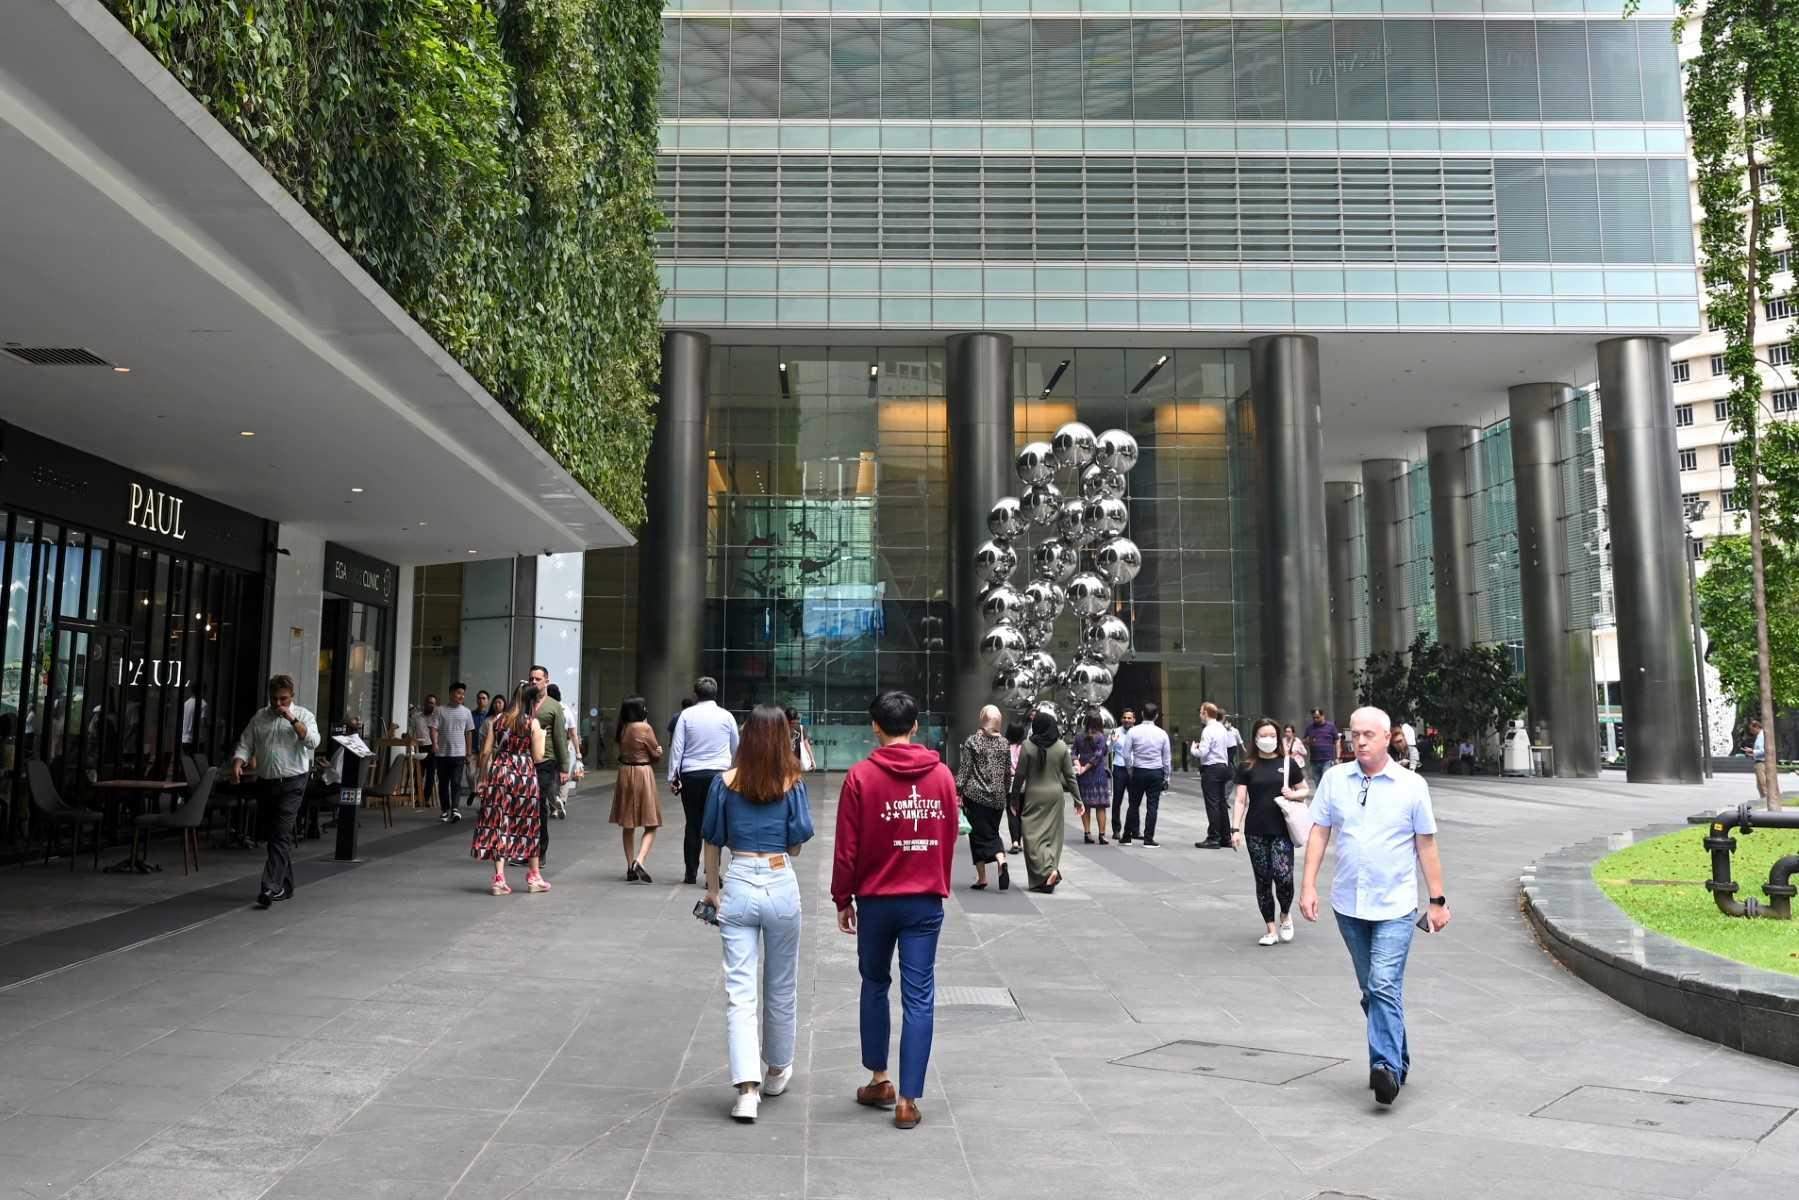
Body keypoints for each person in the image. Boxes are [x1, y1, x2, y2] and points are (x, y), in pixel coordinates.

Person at [1298, 706, 1450, 1107]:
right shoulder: (1334, 780)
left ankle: (1385, 1068)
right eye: (1354, 734)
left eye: (1368, 734)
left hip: (1395, 905)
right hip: (1349, 904)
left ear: (1388, 738)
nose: (1360, 741)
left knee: (1383, 984)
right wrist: (1308, 886)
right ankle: (1397, 1056)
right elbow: (1318, 833)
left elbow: (1426, 844)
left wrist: (1437, 900)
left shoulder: (1411, 785)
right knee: (1372, 990)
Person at [831, 691, 958, 1131]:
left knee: (874, 983)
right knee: (919, 996)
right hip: (924, 898)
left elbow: (847, 849)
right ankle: (908, 1100)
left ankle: (879, 1078)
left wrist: (842, 898)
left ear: (874, 726)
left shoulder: (861, 777)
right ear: (916, 726)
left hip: (877, 899)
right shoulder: (942, 776)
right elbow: (948, 836)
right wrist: (936, 879)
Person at [703, 704, 815, 1123]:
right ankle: (775, 1069)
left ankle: (746, 1090)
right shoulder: (792, 783)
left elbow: (711, 840)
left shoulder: (724, 783)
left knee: (740, 992)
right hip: (779, 880)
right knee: (781, 984)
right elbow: (797, 845)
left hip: (739, 880)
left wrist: (714, 890)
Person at [231, 674, 320, 909]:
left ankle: (269, 887)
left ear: (292, 697)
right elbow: (246, 742)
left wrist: (291, 718)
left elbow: (312, 742)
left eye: (283, 699)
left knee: (280, 833)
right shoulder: (260, 717)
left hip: (294, 783)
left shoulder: (303, 715)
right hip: (267, 782)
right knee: (274, 835)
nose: (278, 704)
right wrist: (238, 761)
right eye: (274, 699)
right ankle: (286, 886)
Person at [1231, 718, 1310, 946]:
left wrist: (1291, 794)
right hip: (1255, 830)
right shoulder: (1247, 765)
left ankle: (1285, 914)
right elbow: (1239, 799)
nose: (1268, 740)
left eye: (1272, 735)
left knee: (1283, 877)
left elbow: (1304, 790)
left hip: (1282, 830)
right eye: (1263, 736)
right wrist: (1235, 828)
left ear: (1278, 738)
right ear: (1255, 739)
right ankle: (1271, 928)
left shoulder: (1288, 764)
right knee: (1263, 879)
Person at [471, 683, 548, 895]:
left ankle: (499, 879)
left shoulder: (497, 720)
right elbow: (539, 756)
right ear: (531, 702)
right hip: (524, 775)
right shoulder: (532, 723)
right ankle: (534, 877)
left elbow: (485, 752)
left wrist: (482, 778)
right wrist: (541, 735)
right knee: (529, 823)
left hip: (500, 772)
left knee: (499, 822)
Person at [669, 677, 741, 885]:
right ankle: (712, 874)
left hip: (690, 775)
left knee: (693, 823)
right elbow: (736, 747)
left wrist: (674, 776)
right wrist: (734, 773)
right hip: (718, 776)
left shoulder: (686, 715)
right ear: (715, 693)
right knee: (715, 824)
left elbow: (677, 747)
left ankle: (690, 873)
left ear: (696, 694)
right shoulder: (726, 716)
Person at [1016, 711, 1079, 890]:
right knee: (1052, 837)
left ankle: (1046, 873)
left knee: (1030, 837)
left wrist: (1013, 799)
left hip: (1033, 795)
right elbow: (1070, 776)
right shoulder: (1060, 747)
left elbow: (1019, 776)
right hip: (1055, 795)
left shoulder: (1027, 746)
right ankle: (1049, 872)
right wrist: (1078, 800)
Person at [954, 705, 1012, 890]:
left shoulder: (973, 741)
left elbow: (965, 770)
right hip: (998, 798)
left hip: (976, 796)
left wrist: (957, 790)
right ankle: (997, 864)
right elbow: (1007, 773)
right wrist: (1005, 792)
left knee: (977, 836)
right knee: (992, 833)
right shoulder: (1004, 743)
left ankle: (986, 874)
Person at [610, 695, 663, 882]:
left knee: (628, 823)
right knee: (651, 823)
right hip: (642, 773)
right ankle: (639, 860)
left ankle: (629, 866)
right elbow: (655, 755)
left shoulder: (623, 728)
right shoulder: (644, 727)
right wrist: (659, 752)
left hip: (625, 773)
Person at [525, 667, 569, 863]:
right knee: (525, 805)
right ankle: (525, 848)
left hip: (546, 759)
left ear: (546, 680)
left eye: (538, 678)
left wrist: (564, 768)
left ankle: (540, 851)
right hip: (525, 760)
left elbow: (560, 737)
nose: (534, 682)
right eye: (531, 678)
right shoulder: (525, 703)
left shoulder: (554, 706)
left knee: (539, 804)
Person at [1122, 702, 1171, 847]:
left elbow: (1126, 754)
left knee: (1133, 804)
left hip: (1138, 771)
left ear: (1142, 714)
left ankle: (1126, 836)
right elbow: (1166, 759)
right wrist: (1167, 777)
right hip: (1156, 772)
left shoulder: (1133, 732)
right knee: (1152, 806)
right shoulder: (1162, 734)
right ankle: (1148, 838)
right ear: (1156, 716)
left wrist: (1130, 770)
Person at [432, 682, 475, 823]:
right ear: (451, 693)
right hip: (442, 754)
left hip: (459, 753)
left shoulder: (467, 712)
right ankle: (445, 810)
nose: (461, 696)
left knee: (456, 782)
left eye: (463, 693)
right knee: (443, 783)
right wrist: (435, 744)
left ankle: (455, 809)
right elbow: (434, 729)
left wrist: (468, 752)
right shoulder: (439, 710)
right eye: (458, 693)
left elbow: (469, 733)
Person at [1195, 702, 1232, 848]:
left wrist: (1194, 749)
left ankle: (1214, 837)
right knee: (1221, 803)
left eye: (1201, 712)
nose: (1200, 715)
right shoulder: (1221, 728)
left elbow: (1203, 752)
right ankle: (1225, 837)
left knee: (1213, 804)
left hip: (1211, 768)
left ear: (1205, 713)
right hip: (1223, 767)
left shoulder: (1208, 730)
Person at [1072, 712, 1110, 845]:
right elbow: (1098, 756)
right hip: (1098, 773)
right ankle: (1102, 835)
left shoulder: (1079, 736)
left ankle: (1087, 833)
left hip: (1083, 775)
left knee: (1085, 805)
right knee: (1101, 806)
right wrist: (1086, 767)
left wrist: (1078, 765)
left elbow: (1073, 752)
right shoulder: (1100, 736)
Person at [1109, 709, 1136, 841]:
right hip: (1119, 768)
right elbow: (1108, 750)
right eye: (1124, 717)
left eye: (1129, 718)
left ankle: (1134, 830)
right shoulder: (1116, 731)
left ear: (1134, 720)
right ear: (1121, 719)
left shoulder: (1138, 732)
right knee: (1117, 800)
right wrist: (1113, 742)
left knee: (1134, 800)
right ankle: (1116, 830)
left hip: (1133, 769)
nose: (1127, 720)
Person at [1004, 719, 1027, 854]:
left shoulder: (1005, 747)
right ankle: (1022, 841)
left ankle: (1015, 842)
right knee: (1023, 813)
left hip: (1010, 783)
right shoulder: (1025, 748)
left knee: (1012, 812)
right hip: (1024, 782)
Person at [410, 695, 437, 810]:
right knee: (418, 775)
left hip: (432, 748)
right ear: (424, 703)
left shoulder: (436, 718)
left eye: (432, 703)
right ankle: (418, 798)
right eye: (428, 702)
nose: (430, 705)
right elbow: (411, 731)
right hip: (419, 748)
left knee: (430, 775)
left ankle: (425, 799)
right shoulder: (416, 717)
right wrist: (408, 736)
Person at [1304, 709, 1339, 788]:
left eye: (1317, 717)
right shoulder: (1310, 727)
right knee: (1317, 783)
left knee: (1326, 781)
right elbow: (1304, 741)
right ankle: (1320, 799)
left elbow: (1337, 741)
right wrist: (1309, 740)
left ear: (1323, 716)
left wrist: (1337, 757)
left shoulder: (1331, 726)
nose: (1315, 719)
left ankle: (1327, 799)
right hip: (1314, 760)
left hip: (1327, 759)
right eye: (1314, 718)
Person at [785, 706, 816, 772]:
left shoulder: (800, 729)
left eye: (794, 722)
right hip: (784, 763)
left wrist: (812, 759)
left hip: (796, 763)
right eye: (789, 723)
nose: (792, 725)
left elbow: (806, 744)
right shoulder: (781, 730)